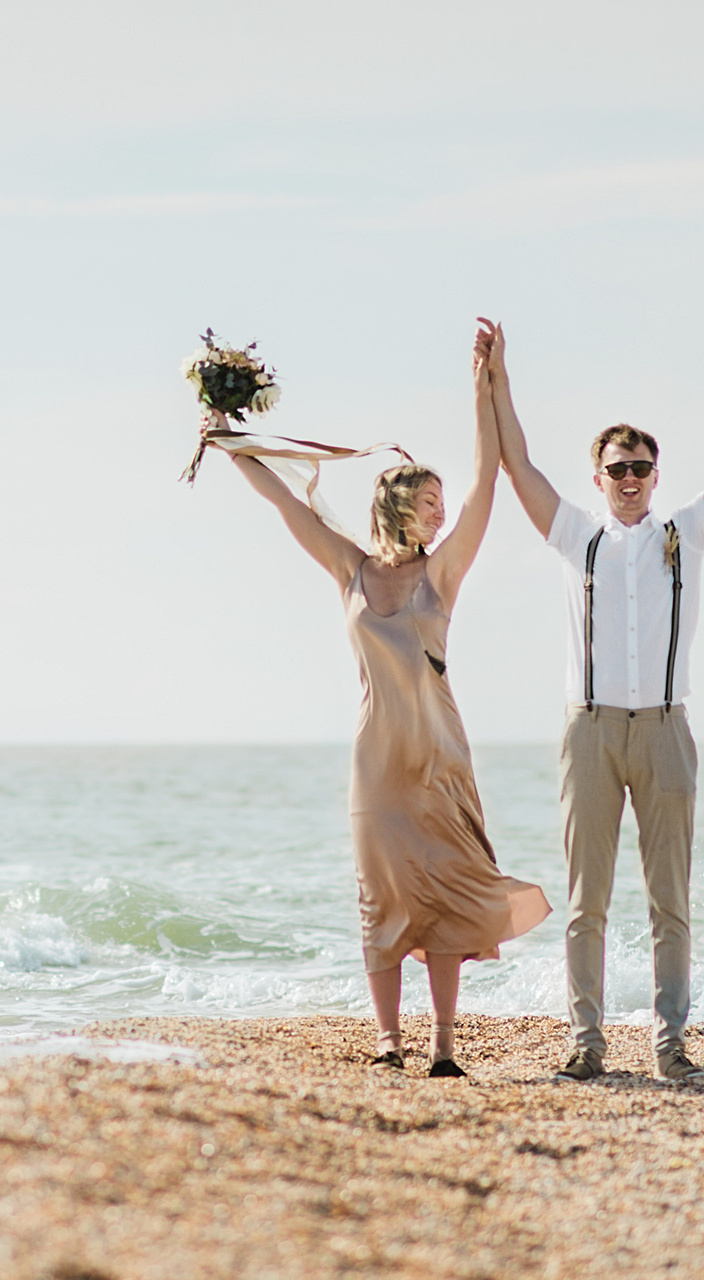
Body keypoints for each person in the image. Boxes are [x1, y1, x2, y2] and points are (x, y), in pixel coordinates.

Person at [214, 333, 550, 1077]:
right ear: (398, 506)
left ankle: (443, 1048)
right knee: (382, 896)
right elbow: (277, 498)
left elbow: (488, 483)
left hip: (437, 758)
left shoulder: (444, 573)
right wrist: (225, 431)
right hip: (377, 764)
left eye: (441, 504)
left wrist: (484, 384)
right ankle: (388, 1042)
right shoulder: (352, 569)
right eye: (428, 504)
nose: (440, 514)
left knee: (443, 897)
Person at [481, 300, 704, 1082]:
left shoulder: (685, 533)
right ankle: (586, 1043)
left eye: (640, 467)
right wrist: (498, 375)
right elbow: (516, 463)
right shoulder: (575, 533)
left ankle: (670, 1043)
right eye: (615, 468)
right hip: (588, 730)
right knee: (587, 902)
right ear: (597, 476)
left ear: (656, 474)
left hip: (664, 731)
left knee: (669, 902)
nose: (628, 479)